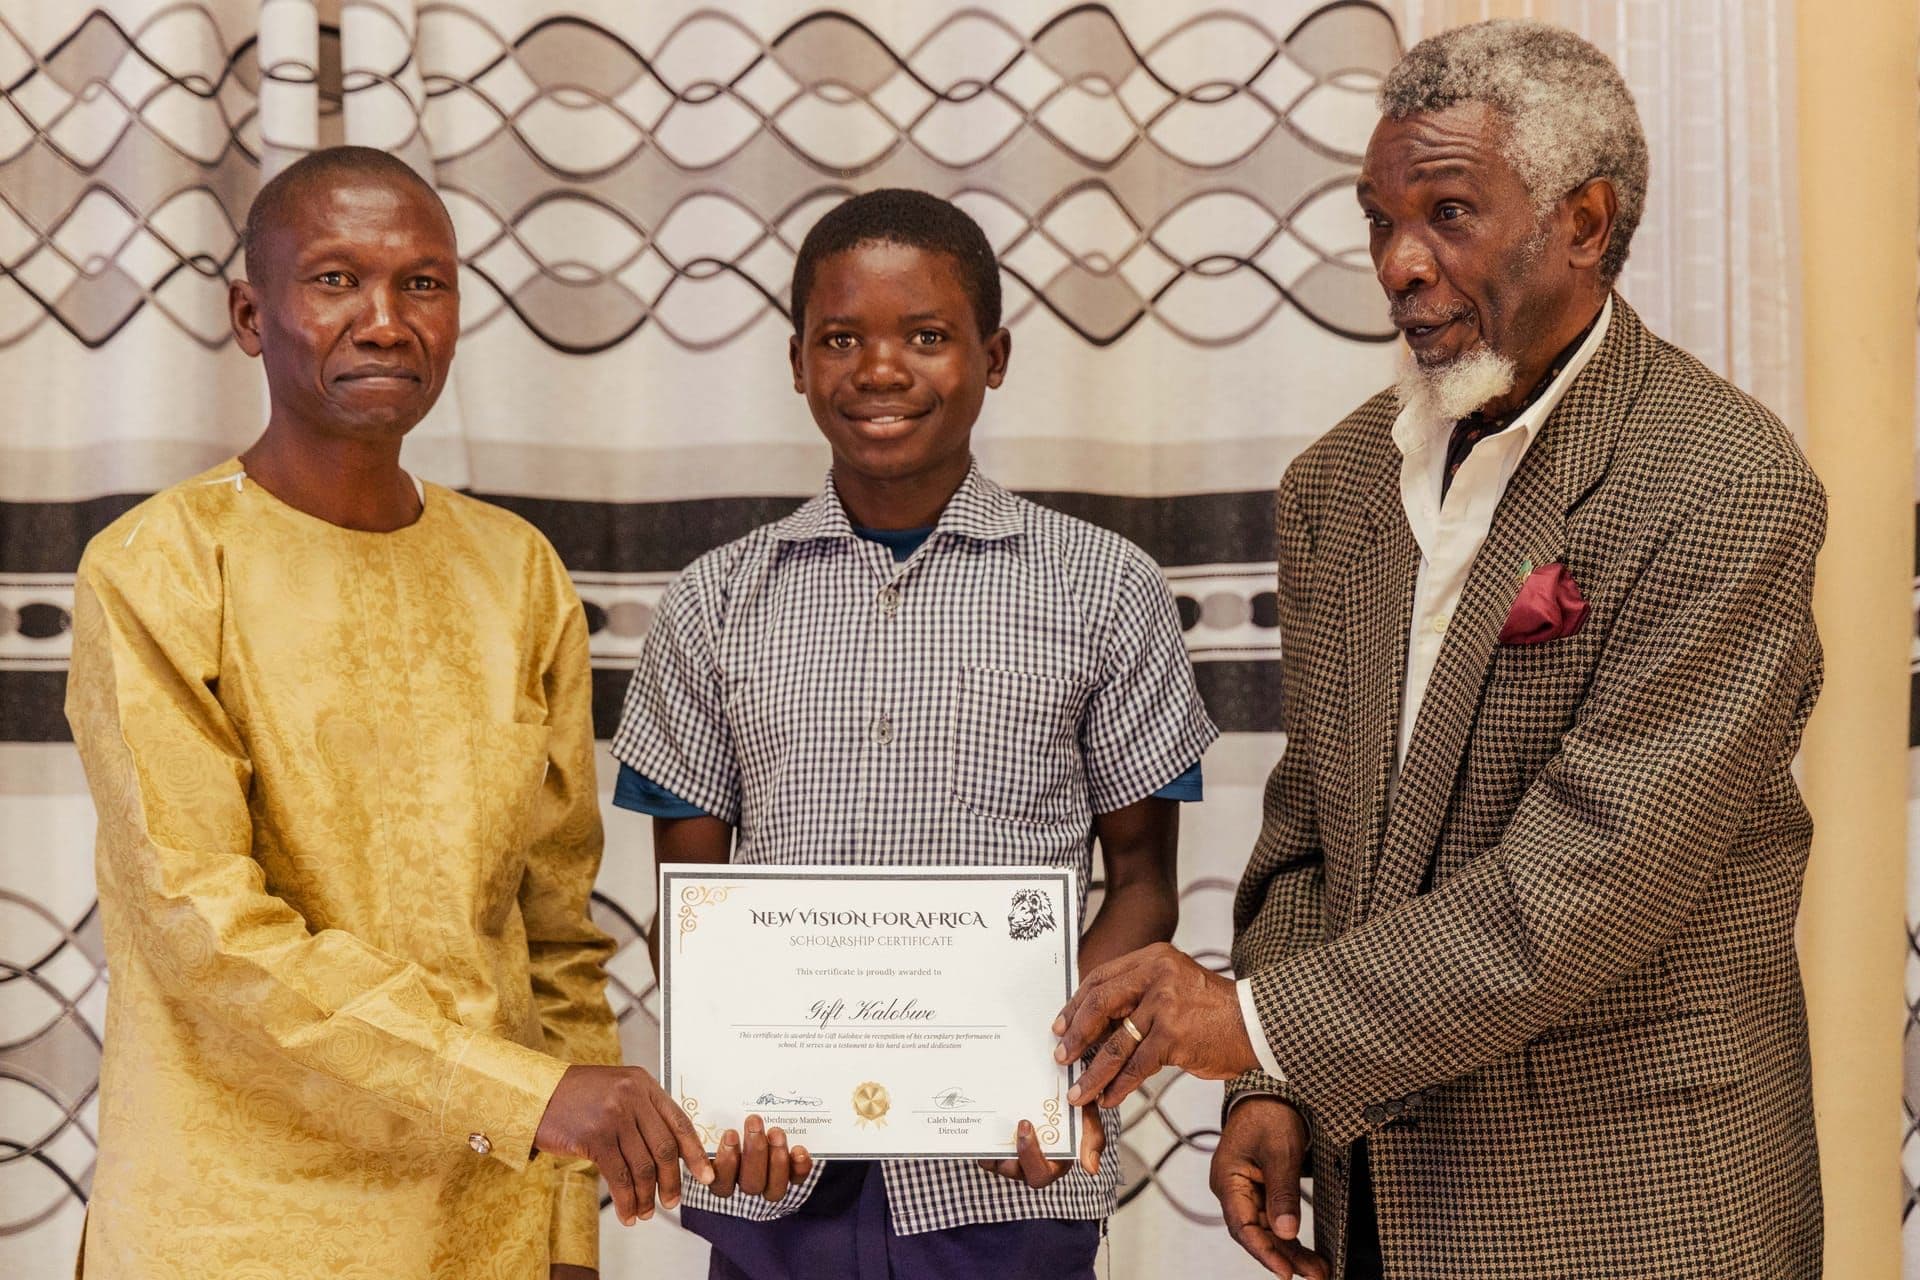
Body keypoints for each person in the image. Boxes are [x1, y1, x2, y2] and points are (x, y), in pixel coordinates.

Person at [1050, 21, 1825, 1279]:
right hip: (1381, 1204)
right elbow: (1313, 830)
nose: (1401, 263)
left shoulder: (1723, 483)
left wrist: (1250, 1017)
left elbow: (1590, 881)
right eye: (1380, 220)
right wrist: (1271, 1083)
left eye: (1450, 212)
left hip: (1632, 1210)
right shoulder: (1338, 483)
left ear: (1583, 222)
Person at [64, 146, 712, 1280]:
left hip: (485, 1224)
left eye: (423, 283)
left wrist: (567, 1226)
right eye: (334, 279)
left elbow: (556, 935)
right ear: (250, 316)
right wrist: (527, 1093)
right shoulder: (158, 568)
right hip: (230, 1227)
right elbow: (203, 929)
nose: (385, 319)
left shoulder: (518, 572)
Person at [609, 187, 1219, 1279]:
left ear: (993, 355)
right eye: (840, 338)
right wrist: (730, 1076)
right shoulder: (711, 604)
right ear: (797, 361)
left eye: (926, 337)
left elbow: (1141, 881)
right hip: (776, 1177)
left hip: (1004, 1174)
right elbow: (690, 908)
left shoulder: (1105, 588)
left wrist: (1041, 1077)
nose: (880, 371)